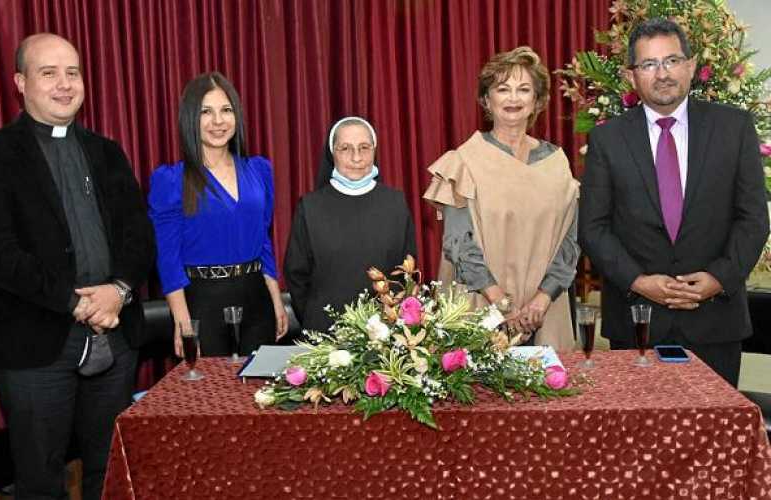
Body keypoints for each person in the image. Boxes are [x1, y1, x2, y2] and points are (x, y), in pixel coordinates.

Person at [0, 33, 155, 499]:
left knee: (110, 472)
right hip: (35, 344)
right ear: (20, 82)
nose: (64, 84)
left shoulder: (108, 151)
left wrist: (120, 290)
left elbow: (139, 236)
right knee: (40, 481)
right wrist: (74, 302)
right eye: (48, 73)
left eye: (72, 72)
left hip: (114, 333)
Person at [579, 18, 768, 386]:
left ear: (691, 66)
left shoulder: (735, 128)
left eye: (671, 61)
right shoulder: (609, 140)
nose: (661, 73)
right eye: (649, 64)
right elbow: (593, 228)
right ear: (631, 76)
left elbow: (753, 219)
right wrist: (638, 281)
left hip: (715, 321)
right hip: (637, 324)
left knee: (714, 440)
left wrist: (719, 277)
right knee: (637, 442)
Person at [423, 47, 580, 351]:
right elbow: (459, 244)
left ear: (537, 100)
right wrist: (503, 306)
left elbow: (569, 242)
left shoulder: (557, 161)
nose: (513, 98)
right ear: (486, 99)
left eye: (524, 90)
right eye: (502, 89)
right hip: (479, 307)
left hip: (544, 312)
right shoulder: (464, 161)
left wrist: (542, 299)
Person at [149, 72, 287, 357]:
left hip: (256, 297)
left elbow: (263, 240)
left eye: (226, 110)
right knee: (212, 398)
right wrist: (183, 321)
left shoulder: (259, 170)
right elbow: (168, 257)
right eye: (206, 112)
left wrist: (275, 299)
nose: (218, 121)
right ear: (190, 119)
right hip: (202, 301)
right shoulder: (171, 180)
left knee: (262, 395)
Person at [284, 116, 417, 333]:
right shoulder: (310, 207)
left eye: (364, 147)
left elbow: (407, 273)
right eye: (345, 148)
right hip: (325, 333)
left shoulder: (395, 203)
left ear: (374, 151)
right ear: (332, 153)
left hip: (385, 334)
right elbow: (297, 275)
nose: (356, 157)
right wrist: (316, 317)